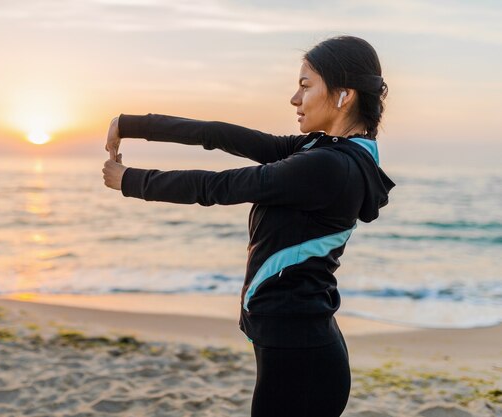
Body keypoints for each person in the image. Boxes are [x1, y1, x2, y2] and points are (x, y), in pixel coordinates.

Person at [102, 35, 396, 417]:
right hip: (296, 345)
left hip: (301, 357)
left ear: (344, 95)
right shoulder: (319, 151)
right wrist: (131, 124)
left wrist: (129, 180)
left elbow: (219, 186)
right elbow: (220, 135)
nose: (294, 99)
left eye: (305, 86)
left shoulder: (328, 166)